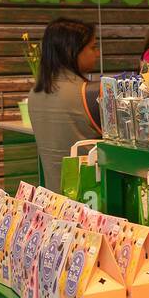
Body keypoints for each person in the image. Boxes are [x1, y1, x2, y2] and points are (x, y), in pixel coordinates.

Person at [27, 17, 102, 187]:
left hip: (53, 198)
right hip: (88, 197)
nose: (97, 53)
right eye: (93, 47)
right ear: (71, 51)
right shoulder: (89, 93)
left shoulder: (35, 93)